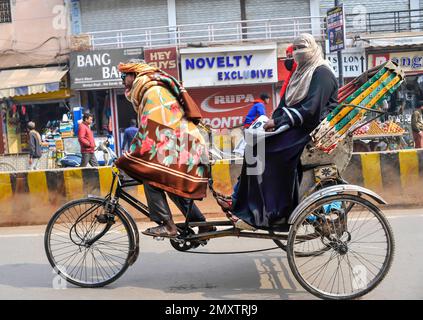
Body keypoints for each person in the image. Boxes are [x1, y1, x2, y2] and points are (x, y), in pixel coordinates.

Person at [231, 34, 338, 230]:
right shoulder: (300, 73)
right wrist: (273, 120)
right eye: (295, 49)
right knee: (254, 148)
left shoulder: (322, 73)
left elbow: (312, 109)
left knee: (265, 152)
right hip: (296, 127)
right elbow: (285, 104)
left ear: (313, 48)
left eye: (302, 48)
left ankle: (271, 213)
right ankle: (247, 207)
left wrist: (278, 121)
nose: (298, 53)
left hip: (311, 130)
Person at [116, 59, 215, 238]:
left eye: (124, 75)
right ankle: (201, 224)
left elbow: (151, 131)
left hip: (186, 145)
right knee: (168, 183)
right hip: (185, 144)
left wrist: (131, 155)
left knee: (151, 178)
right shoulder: (150, 88)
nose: (122, 80)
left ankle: (167, 226)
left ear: (134, 74)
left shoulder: (152, 91)